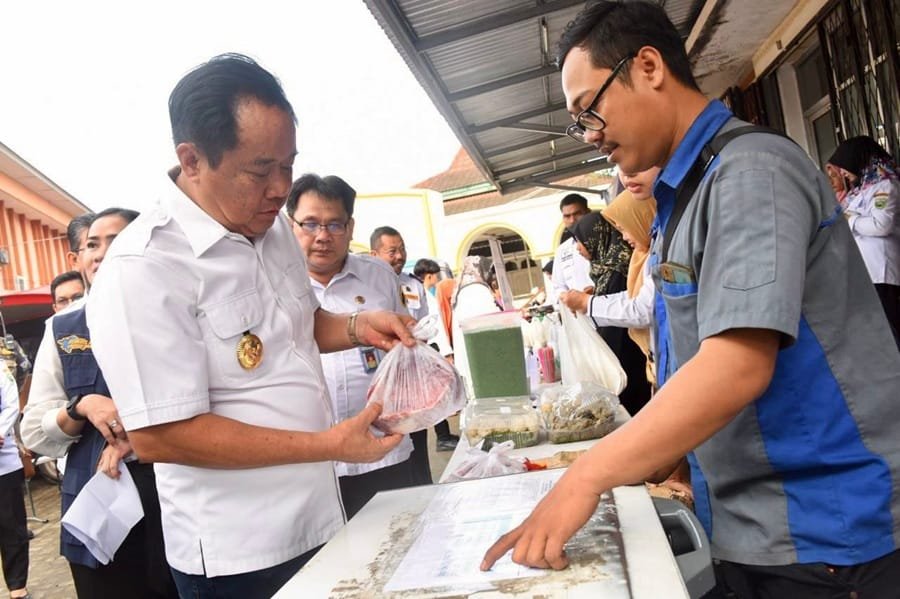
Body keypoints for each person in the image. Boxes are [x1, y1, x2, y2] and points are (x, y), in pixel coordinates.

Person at [482, 3, 900, 597]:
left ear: (648, 65)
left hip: (824, 531)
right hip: (755, 523)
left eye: (589, 110)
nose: (592, 135)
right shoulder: (688, 192)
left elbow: (735, 364)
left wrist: (586, 477)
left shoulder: (750, 172)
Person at [82, 54, 415, 599]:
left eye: (288, 165)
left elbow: (299, 329)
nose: (280, 187)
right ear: (191, 159)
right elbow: (161, 434)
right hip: (242, 554)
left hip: (320, 516)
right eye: (261, 170)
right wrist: (327, 444)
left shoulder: (273, 229)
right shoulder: (144, 270)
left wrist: (357, 325)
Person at [22, 208, 177, 599]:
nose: (102, 253)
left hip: (175, 494)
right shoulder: (63, 328)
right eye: (93, 244)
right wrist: (82, 406)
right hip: (99, 503)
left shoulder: (176, 311)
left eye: (117, 241)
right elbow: (34, 429)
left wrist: (139, 434)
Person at [286, 173, 417, 518]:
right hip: (315, 464)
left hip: (384, 451)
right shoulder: (276, 283)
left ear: (351, 226)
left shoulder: (379, 275)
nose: (322, 237)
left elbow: (403, 347)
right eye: (310, 224)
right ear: (290, 225)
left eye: (335, 225)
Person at [369, 226, 440, 476]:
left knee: (419, 439)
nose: (399, 256)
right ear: (374, 254)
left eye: (402, 249)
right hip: (384, 380)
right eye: (392, 251)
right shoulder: (368, 287)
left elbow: (424, 323)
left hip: (413, 375)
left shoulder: (413, 284)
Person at [567, 210, 651, 414]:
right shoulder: (605, 267)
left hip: (628, 359)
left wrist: (589, 303)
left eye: (581, 241)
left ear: (597, 237)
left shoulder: (618, 268)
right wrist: (593, 297)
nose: (578, 248)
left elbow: (636, 308)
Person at [827, 136, 900, 347]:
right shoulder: (862, 189)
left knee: (890, 328)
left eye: (844, 168)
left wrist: (851, 220)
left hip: (882, 270)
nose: (843, 174)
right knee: (878, 331)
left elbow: (880, 225)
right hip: (866, 271)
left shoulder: (885, 185)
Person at [411, 258, 459, 451]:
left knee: (437, 395)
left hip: (430, 349)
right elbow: (433, 325)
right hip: (429, 350)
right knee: (436, 396)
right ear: (429, 276)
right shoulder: (421, 293)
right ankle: (443, 437)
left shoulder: (422, 293)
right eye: (435, 276)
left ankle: (444, 434)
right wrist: (447, 353)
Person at [450, 256, 502, 397]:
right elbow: (492, 320)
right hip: (482, 355)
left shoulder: (463, 292)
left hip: (470, 354)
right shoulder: (477, 291)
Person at [0, 363, 29, 599]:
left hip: (3, 465)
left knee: (11, 526)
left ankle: (17, 585)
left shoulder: (0, 368)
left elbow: (11, 405)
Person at [549, 194, 594, 302]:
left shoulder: (605, 241)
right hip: (579, 313)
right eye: (567, 216)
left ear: (588, 212)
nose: (572, 220)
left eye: (577, 214)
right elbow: (558, 286)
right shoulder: (562, 250)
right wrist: (567, 297)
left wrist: (595, 291)